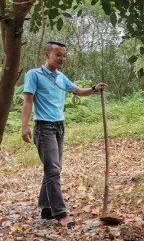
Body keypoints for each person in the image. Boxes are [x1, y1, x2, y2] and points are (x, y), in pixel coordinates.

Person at [21, 41, 108, 228]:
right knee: (53, 170)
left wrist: (94, 89)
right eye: (58, 54)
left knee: (54, 169)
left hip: (59, 127)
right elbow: (28, 101)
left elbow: (77, 91)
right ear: (46, 55)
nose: (62, 58)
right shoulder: (34, 74)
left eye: (64, 55)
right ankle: (60, 213)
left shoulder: (61, 77)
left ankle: (46, 208)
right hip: (43, 127)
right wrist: (24, 126)